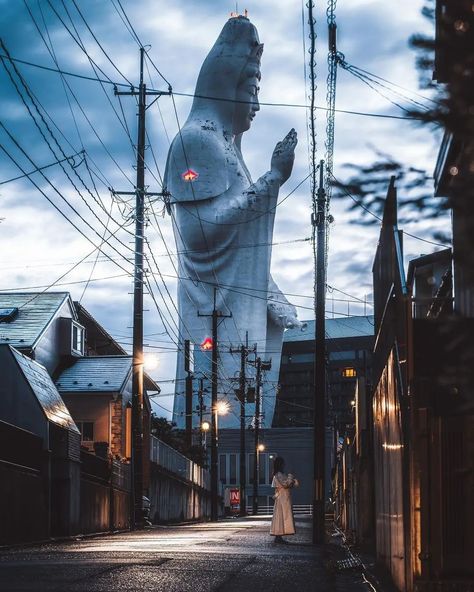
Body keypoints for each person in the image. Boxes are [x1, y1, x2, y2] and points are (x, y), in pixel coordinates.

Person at [164, 15, 301, 428]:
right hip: (212, 309)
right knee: (219, 403)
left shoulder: (225, 146)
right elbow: (198, 232)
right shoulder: (197, 141)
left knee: (245, 399)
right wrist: (272, 180)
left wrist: (272, 297)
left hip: (235, 304)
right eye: (254, 89)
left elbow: (244, 242)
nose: (258, 106)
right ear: (228, 84)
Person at [270, 456, 298, 543]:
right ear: (280, 464)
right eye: (283, 463)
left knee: (280, 515)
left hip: (282, 496)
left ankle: (279, 535)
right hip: (282, 497)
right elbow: (286, 484)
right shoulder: (279, 474)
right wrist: (291, 477)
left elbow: (287, 484)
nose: (284, 465)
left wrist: (291, 481)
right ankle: (278, 535)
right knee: (281, 515)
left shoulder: (278, 474)